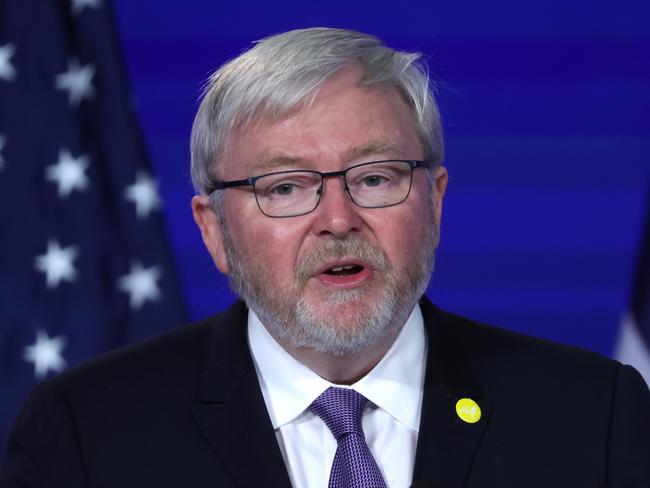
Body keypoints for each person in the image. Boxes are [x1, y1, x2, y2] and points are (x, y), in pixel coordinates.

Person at [1, 27, 649, 488]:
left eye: (374, 178)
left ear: (436, 200)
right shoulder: (88, 433)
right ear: (214, 231)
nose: (338, 220)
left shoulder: (594, 417)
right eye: (285, 188)